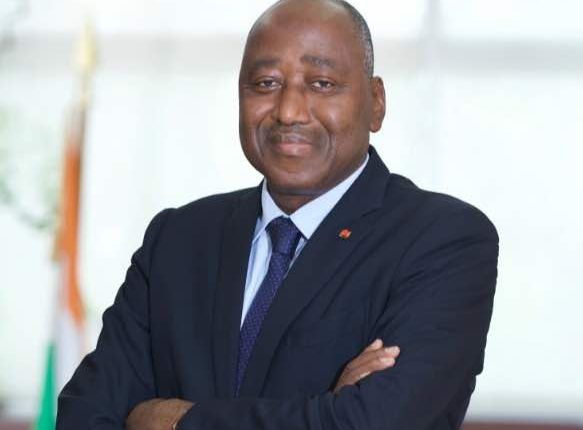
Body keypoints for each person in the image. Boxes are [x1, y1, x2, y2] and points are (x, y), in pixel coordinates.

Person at [56, 0, 499, 429]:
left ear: (376, 101)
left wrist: (178, 421)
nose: (288, 111)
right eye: (266, 83)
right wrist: (324, 410)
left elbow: (374, 423)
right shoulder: (178, 239)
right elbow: (84, 415)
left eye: (321, 83)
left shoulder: (443, 240)